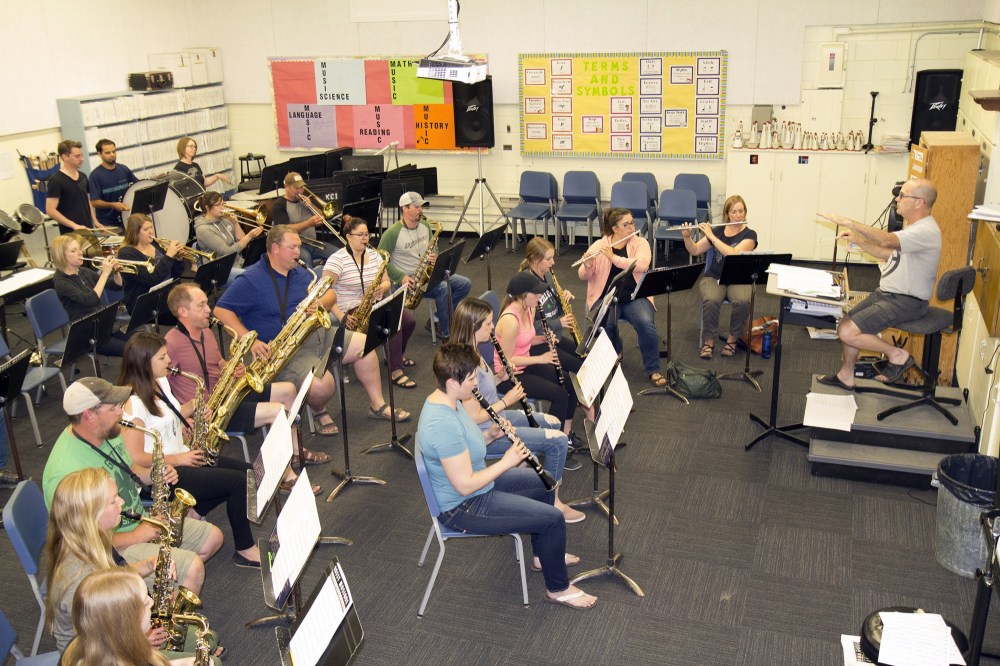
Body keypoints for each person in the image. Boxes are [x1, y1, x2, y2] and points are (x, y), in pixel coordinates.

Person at [417, 343, 597, 610]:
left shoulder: (450, 401)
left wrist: (489, 436)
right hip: (464, 506)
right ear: (452, 382)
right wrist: (507, 462)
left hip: (478, 483)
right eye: (471, 379)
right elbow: (464, 485)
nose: (476, 383)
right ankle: (558, 588)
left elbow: (465, 449)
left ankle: (543, 555)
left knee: (545, 482)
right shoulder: (441, 424)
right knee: (553, 519)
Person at [214, 225, 409, 443]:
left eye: (299, 247)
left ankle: (377, 404)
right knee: (323, 386)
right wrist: (249, 340)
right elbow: (221, 310)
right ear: (275, 248)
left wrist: (320, 303)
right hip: (286, 350)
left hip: (316, 333)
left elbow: (331, 294)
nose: (298, 252)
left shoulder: (300, 271)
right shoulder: (251, 279)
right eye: (292, 247)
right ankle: (319, 410)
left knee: (365, 345)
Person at [42, 377, 223, 596]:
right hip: (108, 551)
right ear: (89, 415)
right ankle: (149, 609)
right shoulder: (65, 474)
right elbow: (81, 544)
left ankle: (155, 595)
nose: (121, 412)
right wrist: (137, 535)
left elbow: (130, 468)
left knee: (213, 538)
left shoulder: (106, 431)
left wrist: (155, 474)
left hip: (140, 520)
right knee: (193, 569)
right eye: (114, 408)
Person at [118, 332, 262, 568]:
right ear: (144, 363)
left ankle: (193, 510)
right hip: (163, 475)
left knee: (248, 472)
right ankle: (245, 550)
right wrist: (179, 458)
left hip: (183, 457)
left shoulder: (160, 381)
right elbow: (136, 457)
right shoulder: (133, 404)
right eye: (162, 358)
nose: (169, 361)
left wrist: (192, 408)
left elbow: (167, 415)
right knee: (238, 483)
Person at [44, 468, 221, 660]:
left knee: (209, 639)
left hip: (116, 629)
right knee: (212, 661)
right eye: (113, 500)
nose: (122, 502)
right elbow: (97, 643)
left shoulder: (91, 539)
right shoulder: (79, 577)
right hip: (99, 655)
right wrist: (141, 639)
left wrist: (148, 565)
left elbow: (113, 578)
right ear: (92, 514)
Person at [164, 283, 320, 494]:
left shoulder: (206, 332)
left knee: (289, 390)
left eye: (207, 304)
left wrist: (230, 367)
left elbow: (217, 363)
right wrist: (181, 419)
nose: (209, 310)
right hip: (210, 413)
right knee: (277, 411)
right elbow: (159, 388)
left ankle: (293, 451)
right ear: (183, 312)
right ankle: (284, 476)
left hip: (227, 395)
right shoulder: (171, 344)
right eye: (201, 305)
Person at [450, 298, 584, 522]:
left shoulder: (473, 351)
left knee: (552, 422)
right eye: (488, 323)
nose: (493, 327)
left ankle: (521, 471)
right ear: (473, 327)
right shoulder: (465, 363)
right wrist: (507, 400)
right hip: (487, 432)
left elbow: (482, 391)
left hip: (497, 418)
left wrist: (499, 377)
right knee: (558, 441)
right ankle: (554, 501)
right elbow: (474, 417)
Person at [817, 178, 942, 389]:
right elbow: (885, 252)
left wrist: (849, 222)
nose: (897, 199)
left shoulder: (925, 231)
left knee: (847, 332)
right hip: (888, 294)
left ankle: (897, 355)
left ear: (919, 202)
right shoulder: (915, 229)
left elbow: (885, 240)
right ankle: (846, 375)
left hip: (907, 301)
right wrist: (858, 240)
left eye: (903, 195)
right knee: (847, 323)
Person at [320, 216, 418, 389]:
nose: (365, 238)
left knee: (408, 321)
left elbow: (386, 281)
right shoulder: (337, 260)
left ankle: (393, 355)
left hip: (373, 305)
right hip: (350, 309)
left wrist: (382, 288)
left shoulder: (374, 256)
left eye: (367, 234)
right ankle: (396, 370)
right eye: (360, 235)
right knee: (391, 322)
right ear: (348, 236)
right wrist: (341, 315)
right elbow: (324, 293)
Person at [494, 272, 589, 437]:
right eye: (536, 293)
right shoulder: (510, 321)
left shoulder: (529, 308)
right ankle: (552, 439)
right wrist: (541, 358)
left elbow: (525, 340)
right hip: (509, 375)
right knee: (559, 395)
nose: (540, 296)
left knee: (571, 382)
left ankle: (566, 433)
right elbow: (507, 361)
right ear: (524, 295)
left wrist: (543, 338)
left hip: (526, 364)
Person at [578, 208, 665, 387]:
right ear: (615, 228)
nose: (632, 227)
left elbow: (642, 265)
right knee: (605, 325)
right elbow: (582, 275)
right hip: (608, 297)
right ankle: (616, 349)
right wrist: (587, 266)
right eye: (626, 225)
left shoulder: (640, 242)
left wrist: (613, 258)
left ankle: (653, 369)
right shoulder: (599, 245)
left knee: (646, 324)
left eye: (632, 222)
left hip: (635, 296)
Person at [61, 569, 213, 666]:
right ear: (127, 621)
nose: (152, 603)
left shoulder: (96, 641)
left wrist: (182, 663)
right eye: (145, 603)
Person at [379, 191, 472, 339]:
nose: (420, 210)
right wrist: (401, 277)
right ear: (404, 208)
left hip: (427, 274)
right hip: (408, 282)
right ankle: (447, 334)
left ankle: (438, 318)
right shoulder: (392, 233)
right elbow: (381, 260)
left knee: (464, 284)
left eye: (421, 206)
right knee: (443, 289)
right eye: (416, 207)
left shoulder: (425, 225)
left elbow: (433, 246)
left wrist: (435, 256)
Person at [681, 195, 759, 360]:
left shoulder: (750, 235)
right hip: (714, 276)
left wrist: (712, 237)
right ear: (727, 214)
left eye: (741, 211)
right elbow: (695, 250)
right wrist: (687, 237)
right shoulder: (717, 231)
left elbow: (734, 254)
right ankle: (709, 342)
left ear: (745, 212)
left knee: (743, 301)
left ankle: (732, 339)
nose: (738, 215)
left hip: (738, 278)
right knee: (711, 300)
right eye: (734, 212)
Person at [51, 234, 128, 356]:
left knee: (140, 341)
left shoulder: (84, 272)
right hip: (87, 334)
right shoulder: (61, 282)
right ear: (62, 256)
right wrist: (104, 273)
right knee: (133, 351)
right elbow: (90, 301)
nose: (80, 253)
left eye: (79, 249)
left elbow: (116, 286)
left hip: (103, 325)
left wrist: (116, 272)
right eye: (74, 251)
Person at [117, 213, 186, 315]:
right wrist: (168, 256)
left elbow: (175, 274)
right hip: (145, 303)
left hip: (167, 293)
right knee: (187, 312)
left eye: (151, 227)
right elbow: (151, 279)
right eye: (146, 229)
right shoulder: (126, 254)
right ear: (135, 232)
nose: (151, 232)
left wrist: (178, 260)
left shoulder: (155, 244)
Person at [519, 237, 580, 353]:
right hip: (538, 341)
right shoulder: (527, 286)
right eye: (548, 259)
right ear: (535, 259)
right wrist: (559, 323)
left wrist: (563, 299)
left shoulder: (547, 275)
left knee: (583, 356)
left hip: (554, 334)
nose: (553, 262)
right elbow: (529, 328)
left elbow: (553, 307)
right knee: (576, 362)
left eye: (552, 257)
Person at [193, 191, 264, 283]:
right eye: (218, 205)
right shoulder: (203, 229)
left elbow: (241, 240)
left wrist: (235, 223)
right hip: (219, 270)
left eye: (223, 204)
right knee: (253, 278)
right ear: (207, 208)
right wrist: (249, 236)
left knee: (265, 269)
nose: (222, 207)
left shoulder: (225, 220)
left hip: (237, 262)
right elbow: (227, 252)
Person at [270, 172, 335, 266]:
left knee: (338, 254)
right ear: (286, 187)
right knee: (306, 260)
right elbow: (285, 231)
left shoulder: (305, 200)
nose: (300, 191)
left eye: (302, 187)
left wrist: (311, 205)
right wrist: (309, 223)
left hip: (314, 243)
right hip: (294, 247)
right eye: (296, 188)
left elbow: (321, 219)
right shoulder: (279, 205)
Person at [45, 139, 103, 234]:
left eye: (81, 155)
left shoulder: (83, 176)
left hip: (87, 229)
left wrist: (95, 221)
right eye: (77, 156)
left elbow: (87, 201)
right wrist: (74, 225)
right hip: (70, 233)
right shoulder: (56, 180)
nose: (82, 159)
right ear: (65, 157)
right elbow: (50, 210)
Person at [88, 139, 138, 228]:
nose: (112, 155)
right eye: (107, 153)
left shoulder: (123, 169)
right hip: (108, 224)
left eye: (114, 151)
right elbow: (94, 202)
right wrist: (113, 205)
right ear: (99, 154)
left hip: (127, 219)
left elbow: (137, 185)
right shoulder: (95, 175)